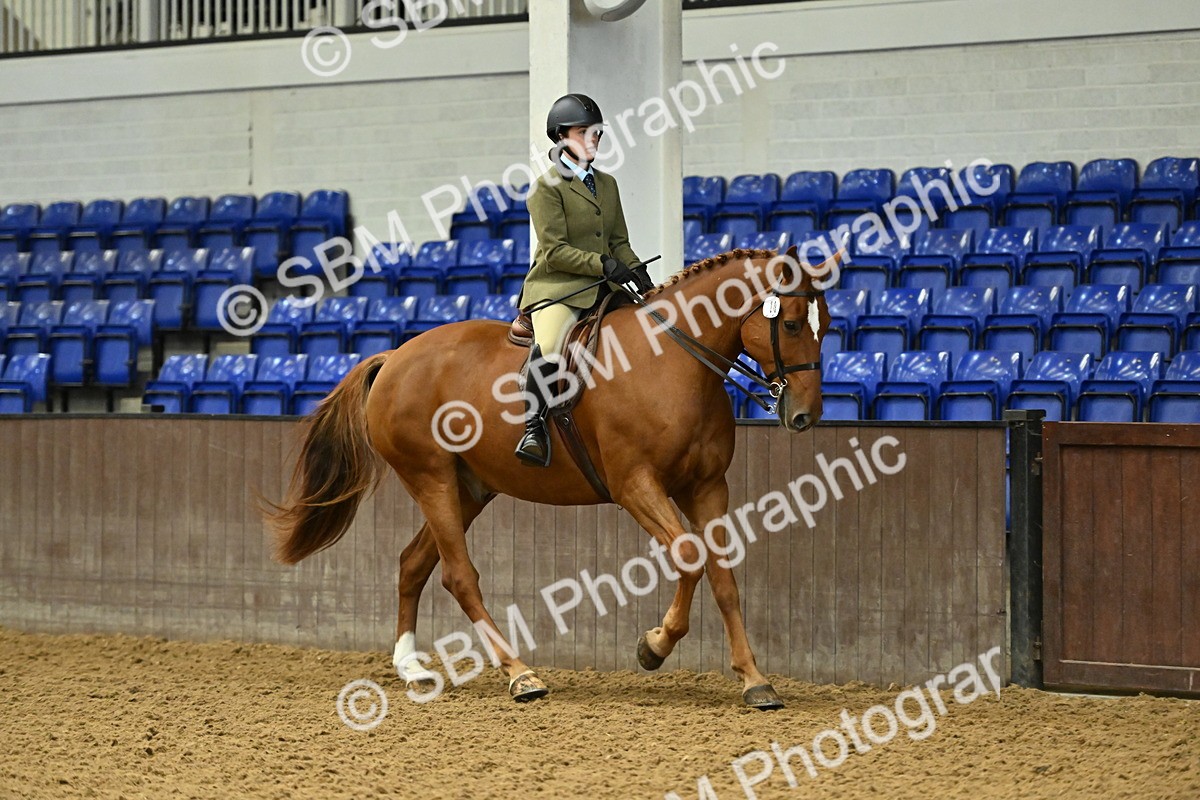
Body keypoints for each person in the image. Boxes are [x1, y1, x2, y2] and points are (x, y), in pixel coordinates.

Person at [514, 92, 653, 467]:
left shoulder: (607, 184)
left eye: (597, 133)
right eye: (583, 132)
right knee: (552, 342)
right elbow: (556, 251)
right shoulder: (545, 188)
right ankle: (533, 428)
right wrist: (604, 265)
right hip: (557, 287)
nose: (593, 140)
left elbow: (619, 242)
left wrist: (641, 277)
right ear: (561, 137)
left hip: (601, 286)